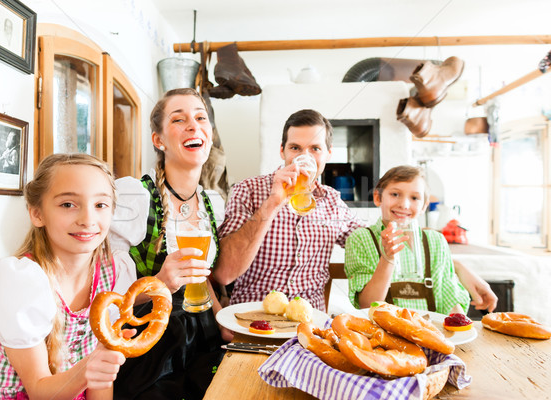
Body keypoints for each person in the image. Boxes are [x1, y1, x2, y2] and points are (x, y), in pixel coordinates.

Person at [0, 153, 138, 399]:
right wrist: (88, 369)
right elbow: (39, 391)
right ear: (37, 214)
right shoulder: (18, 281)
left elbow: (101, 382)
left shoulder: (112, 273)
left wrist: (99, 365)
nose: (87, 220)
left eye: (100, 205)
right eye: (68, 204)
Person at [109, 88, 228, 400]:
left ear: (210, 135)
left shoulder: (213, 202)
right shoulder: (135, 196)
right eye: (179, 119)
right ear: (158, 140)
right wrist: (160, 282)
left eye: (200, 118)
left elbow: (201, 277)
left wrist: (222, 320)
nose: (193, 125)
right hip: (151, 341)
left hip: (204, 336)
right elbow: (106, 301)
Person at [214, 109, 364, 311]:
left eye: (315, 149)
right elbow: (224, 273)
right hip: (253, 321)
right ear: (282, 151)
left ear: (328, 155)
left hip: (308, 327)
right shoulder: (247, 189)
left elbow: (366, 242)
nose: (304, 157)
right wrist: (273, 202)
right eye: (295, 148)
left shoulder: (332, 200)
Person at [344, 165, 496, 315]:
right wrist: (387, 259)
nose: (404, 204)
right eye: (395, 194)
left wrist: (460, 329)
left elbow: (449, 300)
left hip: (431, 332)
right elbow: (366, 306)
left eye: (414, 198)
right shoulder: (362, 238)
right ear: (378, 198)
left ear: (424, 206)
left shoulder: (435, 241)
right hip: (382, 335)